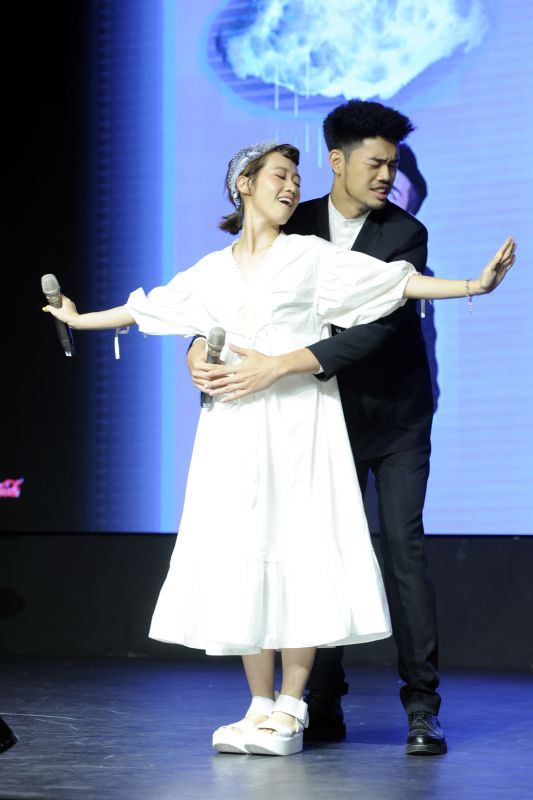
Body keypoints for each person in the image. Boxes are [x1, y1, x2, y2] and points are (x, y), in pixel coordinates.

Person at [44, 141, 515, 757]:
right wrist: (78, 320)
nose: (292, 187)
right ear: (244, 184)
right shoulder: (212, 270)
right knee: (248, 550)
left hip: (298, 423)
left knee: (299, 550)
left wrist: (474, 284)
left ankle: (294, 703)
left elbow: (396, 284)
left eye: (296, 178)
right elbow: (148, 308)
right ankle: (259, 703)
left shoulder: (310, 256)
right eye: (279, 176)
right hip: (234, 427)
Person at [185, 102, 505, 756]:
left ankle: (422, 707)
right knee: (312, 550)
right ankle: (317, 702)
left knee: (402, 550)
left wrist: (279, 364)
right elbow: (235, 294)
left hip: (395, 419)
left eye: (393, 164)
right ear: (337, 161)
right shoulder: (294, 221)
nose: (387, 175)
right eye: (376, 162)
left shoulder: (405, 232)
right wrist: (197, 345)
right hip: (315, 417)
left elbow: (377, 327)